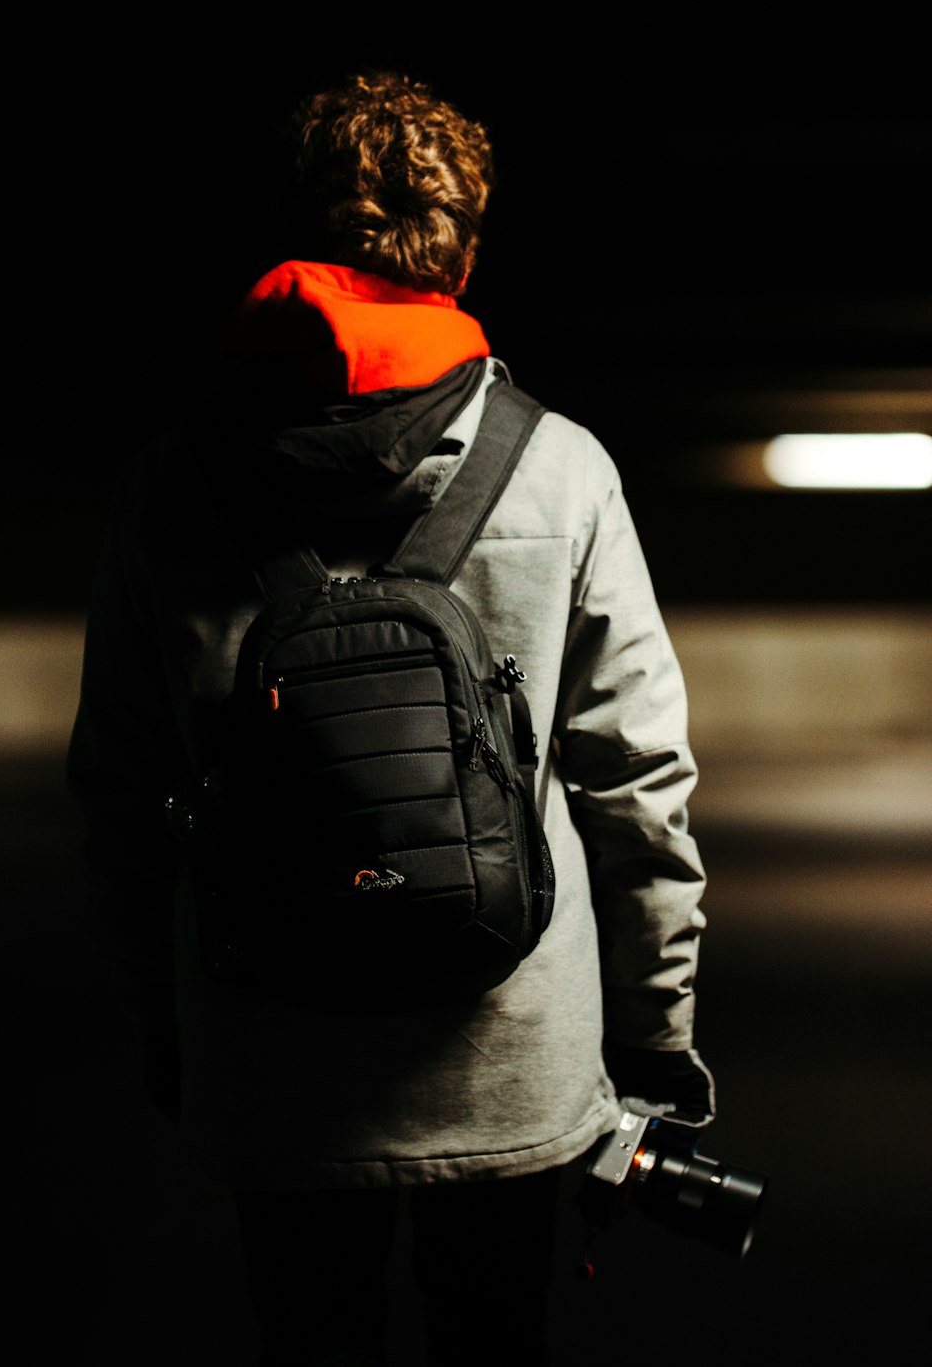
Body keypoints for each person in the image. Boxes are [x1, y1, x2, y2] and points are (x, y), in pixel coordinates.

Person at [66, 68, 715, 1366]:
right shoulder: (562, 466)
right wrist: (657, 1036)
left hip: (270, 1044)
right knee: (495, 1336)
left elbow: (119, 790)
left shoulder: (172, 490)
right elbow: (636, 780)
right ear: (463, 252)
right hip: (513, 1053)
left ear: (298, 237)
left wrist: (165, 1017)